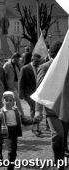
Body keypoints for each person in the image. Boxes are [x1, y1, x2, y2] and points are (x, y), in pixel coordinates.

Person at [34, 42, 66, 170]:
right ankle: (59, 163)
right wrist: (38, 111)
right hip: (52, 109)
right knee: (58, 135)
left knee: (64, 137)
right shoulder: (45, 67)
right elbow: (39, 91)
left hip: (66, 108)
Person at [0, 91, 34, 170]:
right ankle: (10, 167)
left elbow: (24, 121)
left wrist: (34, 120)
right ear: (3, 101)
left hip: (14, 132)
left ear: (14, 102)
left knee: (13, 150)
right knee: (12, 150)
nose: (8, 102)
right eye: (6, 100)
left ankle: (10, 165)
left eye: (10, 100)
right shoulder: (1, 113)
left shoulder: (16, 111)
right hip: (6, 132)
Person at [19, 53, 41, 136]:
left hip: (38, 93)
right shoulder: (25, 68)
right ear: (32, 60)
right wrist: (20, 94)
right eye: (36, 61)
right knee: (35, 109)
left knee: (35, 110)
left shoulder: (40, 67)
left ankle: (35, 127)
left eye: (39, 61)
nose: (38, 63)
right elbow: (21, 82)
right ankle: (35, 129)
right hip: (28, 93)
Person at [3, 52, 24, 116]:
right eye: (15, 59)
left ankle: (13, 115)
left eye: (18, 59)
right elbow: (4, 76)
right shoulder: (7, 65)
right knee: (17, 100)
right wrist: (6, 85)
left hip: (17, 84)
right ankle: (22, 115)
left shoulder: (19, 64)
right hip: (10, 85)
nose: (17, 60)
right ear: (12, 58)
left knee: (12, 101)